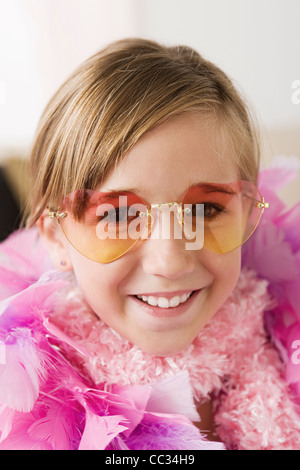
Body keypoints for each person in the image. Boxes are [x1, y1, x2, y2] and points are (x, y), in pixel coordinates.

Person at [0, 38, 300, 450]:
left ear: (250, 214)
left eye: (206, 210)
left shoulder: (282, 347)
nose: (169, 261)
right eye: (120, 215)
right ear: (58, 237)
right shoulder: (20, 407)